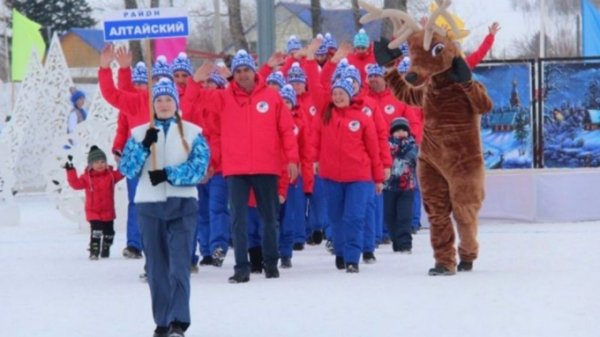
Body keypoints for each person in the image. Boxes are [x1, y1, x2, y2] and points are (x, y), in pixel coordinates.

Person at [189, 49, 299, 283]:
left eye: (246, 70)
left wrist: (291, 159)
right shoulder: (223, 98)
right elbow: (194, 99)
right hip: (236, 170)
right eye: (238, 71)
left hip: (267, 166)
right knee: (238, 219)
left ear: (253, 71)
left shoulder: (271, 97)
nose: (242, 75)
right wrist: (195, 80)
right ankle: (242, 267)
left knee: (269, 218)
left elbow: (286, 130)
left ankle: (271, 264)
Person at [118, 77, 210, 337]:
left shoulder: (193, 132)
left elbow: (199, 168)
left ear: (176, 102)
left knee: (179, 265)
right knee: (157, 267)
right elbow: (127, 168)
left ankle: (179, 322)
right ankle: (162, 321)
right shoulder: (139, 133)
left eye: (169, 99)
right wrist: (143, 146)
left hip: (182, 205)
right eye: (159, 99)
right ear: (153, 104)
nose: (164, 104)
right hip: (150, 206)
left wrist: (170, 174)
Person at [312, 77, 383, 273]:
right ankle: (341, 253)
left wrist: (378, 178)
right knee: (336, 217)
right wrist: (314, 160)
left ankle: (352, 258)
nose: (337, 97)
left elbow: (373, 150)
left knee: (354, 217)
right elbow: (315, 141)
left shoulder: (362, 118)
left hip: (359, 177)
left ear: (349, 96)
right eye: (334, 94)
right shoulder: (325, 116)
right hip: (331, 176)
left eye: (341, 93)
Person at [65, 146, 124, 259]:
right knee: (96, 231)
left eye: (102, 162)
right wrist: (71, 171)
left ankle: (106, 247)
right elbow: (75, 184)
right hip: (93, 211)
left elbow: (122, 173)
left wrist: (121, 160)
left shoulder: (111, 175)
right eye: (96, 162)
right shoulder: (87, 178)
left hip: (108, 211)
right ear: (91, 164)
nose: (100, 165)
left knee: (109, 233)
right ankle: (94, 251)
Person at [383, 117, 418, 253]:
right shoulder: (386, 145)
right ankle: (396, 241)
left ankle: (405, 244)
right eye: (397, 131)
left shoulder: (412, 145)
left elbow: (412, 156)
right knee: (390, 216)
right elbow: (386, 155)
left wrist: (402, 145)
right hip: (389, 187)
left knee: (405, 216)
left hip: (407, 188)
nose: (400, 133)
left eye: (403, 130)